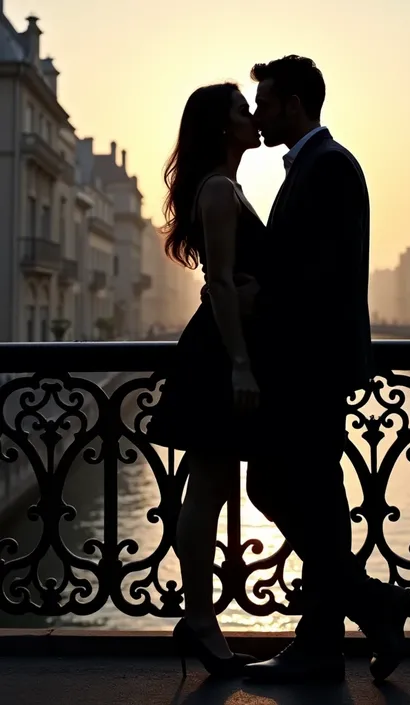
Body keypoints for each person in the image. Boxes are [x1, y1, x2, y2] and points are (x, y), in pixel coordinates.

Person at [241, 55, 410, 683]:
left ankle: (354, 618)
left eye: (264, 102)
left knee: (279, 485)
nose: (257, 113)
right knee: (313, 498)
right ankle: (329, 638)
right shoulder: (317, 165)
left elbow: (324, 275)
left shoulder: (328, 166)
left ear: (292, 103)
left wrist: (259, 294)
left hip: (310, 365)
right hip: (311, 362)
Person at [146, 82, 265, 677]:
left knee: (212, 485)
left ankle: (198, 619)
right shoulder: (219, 189)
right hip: (220, 355)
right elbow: (221, 282)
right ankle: (198, 618)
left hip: (220, 350)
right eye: (244, 110)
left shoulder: (225, 186)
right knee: (209, 488)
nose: (253, 117)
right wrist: (242, 362)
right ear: (223, 127)